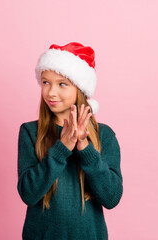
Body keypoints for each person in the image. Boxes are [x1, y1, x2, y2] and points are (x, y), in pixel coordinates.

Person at [17, 42, 123, 239]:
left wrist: (85, 148)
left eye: (62, 84)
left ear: (80, 89)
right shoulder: (30, 132)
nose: (51, 92)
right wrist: (61, 149)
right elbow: (28, 194)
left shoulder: (104, 136)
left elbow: (111, 197)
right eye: (46, 82)